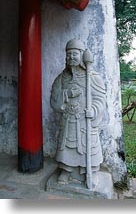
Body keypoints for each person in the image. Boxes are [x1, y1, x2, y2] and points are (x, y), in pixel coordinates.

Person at [50, 38, 106, 185]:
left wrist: (93, 111)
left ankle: (88, 172)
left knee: (88, 146)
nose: (70, 57)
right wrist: (67, 93)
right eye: (68, 54)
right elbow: (54, 99)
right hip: (68, 120)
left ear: (81, 55)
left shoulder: (92, 77)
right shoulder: (62, 78)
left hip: (85, 121)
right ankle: (66, 170)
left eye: (74, 54)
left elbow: (100, 99)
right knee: (67, 146)